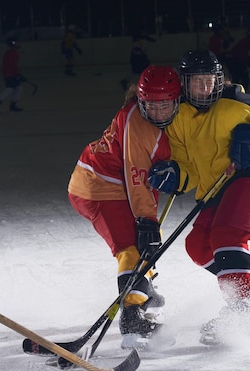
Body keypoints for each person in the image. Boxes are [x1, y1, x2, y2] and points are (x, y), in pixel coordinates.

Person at [148, 50, 250, 345]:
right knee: (198, 246)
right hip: (218, 185)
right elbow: (188, 166)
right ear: (184, 85)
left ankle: (238, 313)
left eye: (209, 81)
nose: (204, 88)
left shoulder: (235, 101)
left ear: (218, 80)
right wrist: (175, 174)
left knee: (227, 235)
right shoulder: (178, 118)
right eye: (196, 82)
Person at [67, 65, 181, 349]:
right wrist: (147, 221)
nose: (158, 113)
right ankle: (132, 317)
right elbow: (137, 180)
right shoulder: (140, 126)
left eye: (165, 105)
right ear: (141, 102)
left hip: (116, 184)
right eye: (151, 106)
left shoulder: (165, 119)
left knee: (145, 243)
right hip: (99, 187)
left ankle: (142, 288)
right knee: (133, 246)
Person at [0, 37, 25, 113]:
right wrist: (17, 74)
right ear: (13, 44)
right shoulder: (12, 53)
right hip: (9, 74)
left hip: (10, 73)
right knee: (10, 88)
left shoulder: (12, 52)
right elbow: (11, 65)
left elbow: (13, 65)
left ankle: (13, 105)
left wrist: (18, 74)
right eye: (17, 42)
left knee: (18, 88)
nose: (19, 43)